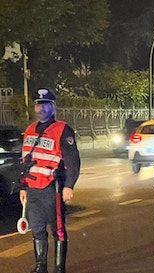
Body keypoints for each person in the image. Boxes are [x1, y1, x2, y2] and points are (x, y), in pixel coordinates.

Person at [19, 87, 81, 273]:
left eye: (45, 105)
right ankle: (40, 266)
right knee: (37, 229)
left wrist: (69, 185)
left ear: (53, 107)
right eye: (38, 105)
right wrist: (23, 186)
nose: (41, 108)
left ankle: (59, 268)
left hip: (52, 188)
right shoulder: (30, 130)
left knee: (58, 230)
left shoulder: (62, 130)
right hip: (32, 189)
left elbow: (73, 160)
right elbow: (24, 161)